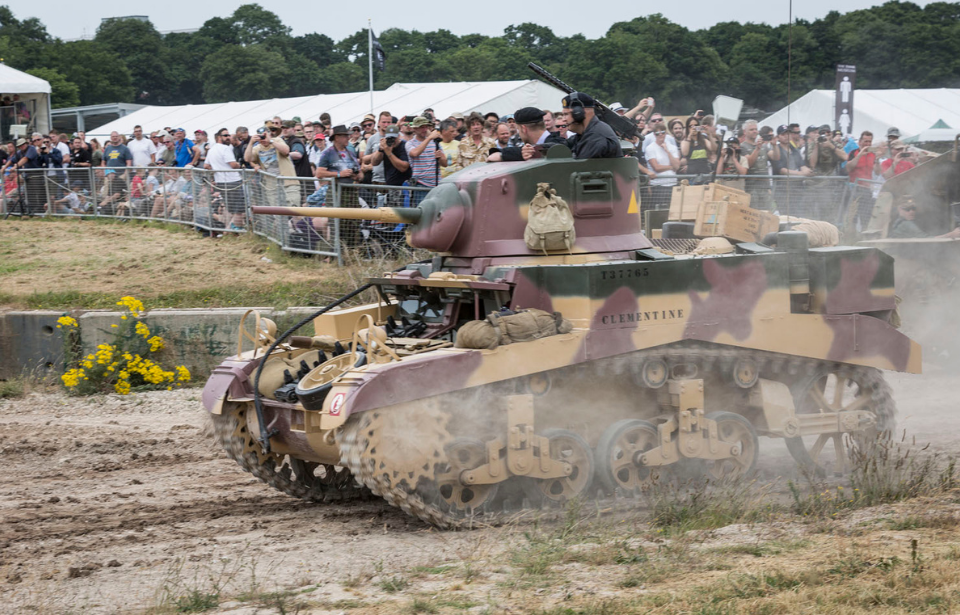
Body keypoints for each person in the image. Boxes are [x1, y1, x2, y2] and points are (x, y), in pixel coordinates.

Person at [246, 120, 298, 207]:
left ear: (270, 134)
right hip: (272, 187)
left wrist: (271, 141)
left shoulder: (277, 140)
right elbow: (247, 158)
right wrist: (251, 143)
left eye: (265, 135)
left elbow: (286, 151)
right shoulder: (257, 148)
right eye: (261, 137)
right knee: (278, 214)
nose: (263, 139)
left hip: (288, 183)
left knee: (295, 211)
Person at [487, 107, 567, 162]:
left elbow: (555, 147)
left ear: (523, 129)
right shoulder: (532, 146)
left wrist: (503, 155)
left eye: (519, 130)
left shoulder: (558, 143)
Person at [560, 92, 622, 159]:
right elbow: (564, 145)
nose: (563, 119)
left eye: (566, 114)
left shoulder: (596, 138)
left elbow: (579, 167)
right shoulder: (587, 133)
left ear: (578, 114)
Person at [206, 128, 244, 230]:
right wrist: (239, 165)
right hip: (233, 181)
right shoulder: (225, 149)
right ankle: (231, 231)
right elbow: (233, 165)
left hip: (221, 183)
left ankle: (229, 231)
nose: (228, 137)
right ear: (219, 137)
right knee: (240, 210)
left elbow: (206, 165)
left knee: (231, 209)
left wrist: (217, 169)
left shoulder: (212, 149)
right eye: (225, 135)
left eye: (228, 135)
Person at [644, 122, 680, 210]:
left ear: (666, 133)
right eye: (657, 133)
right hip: (658, 185)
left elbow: (677, 166)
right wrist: (671, 167)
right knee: (658, 211)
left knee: (673, 210)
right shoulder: (650, 148)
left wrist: (667, 151)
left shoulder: (672, 147)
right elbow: (656, 167)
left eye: (663, 132)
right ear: (654, 135)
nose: (660, 135)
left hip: (672, 184)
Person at [405, 116, 446, 191]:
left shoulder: (434, 142)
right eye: (421, 127)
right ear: (415, 129)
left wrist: (440, 158)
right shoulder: (410, 143)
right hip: (420, 184)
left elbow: (445, 164)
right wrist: (429, 138)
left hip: (436, 184)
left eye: (426, 127)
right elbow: (415, 153)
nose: (424, 129)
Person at [889, 199, 960, 239]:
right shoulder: (906, 224)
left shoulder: (898, 222)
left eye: (913, 208)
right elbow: (927, 239)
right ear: (899, 209)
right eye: (907, 209)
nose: (911, 212)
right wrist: (952, 234)